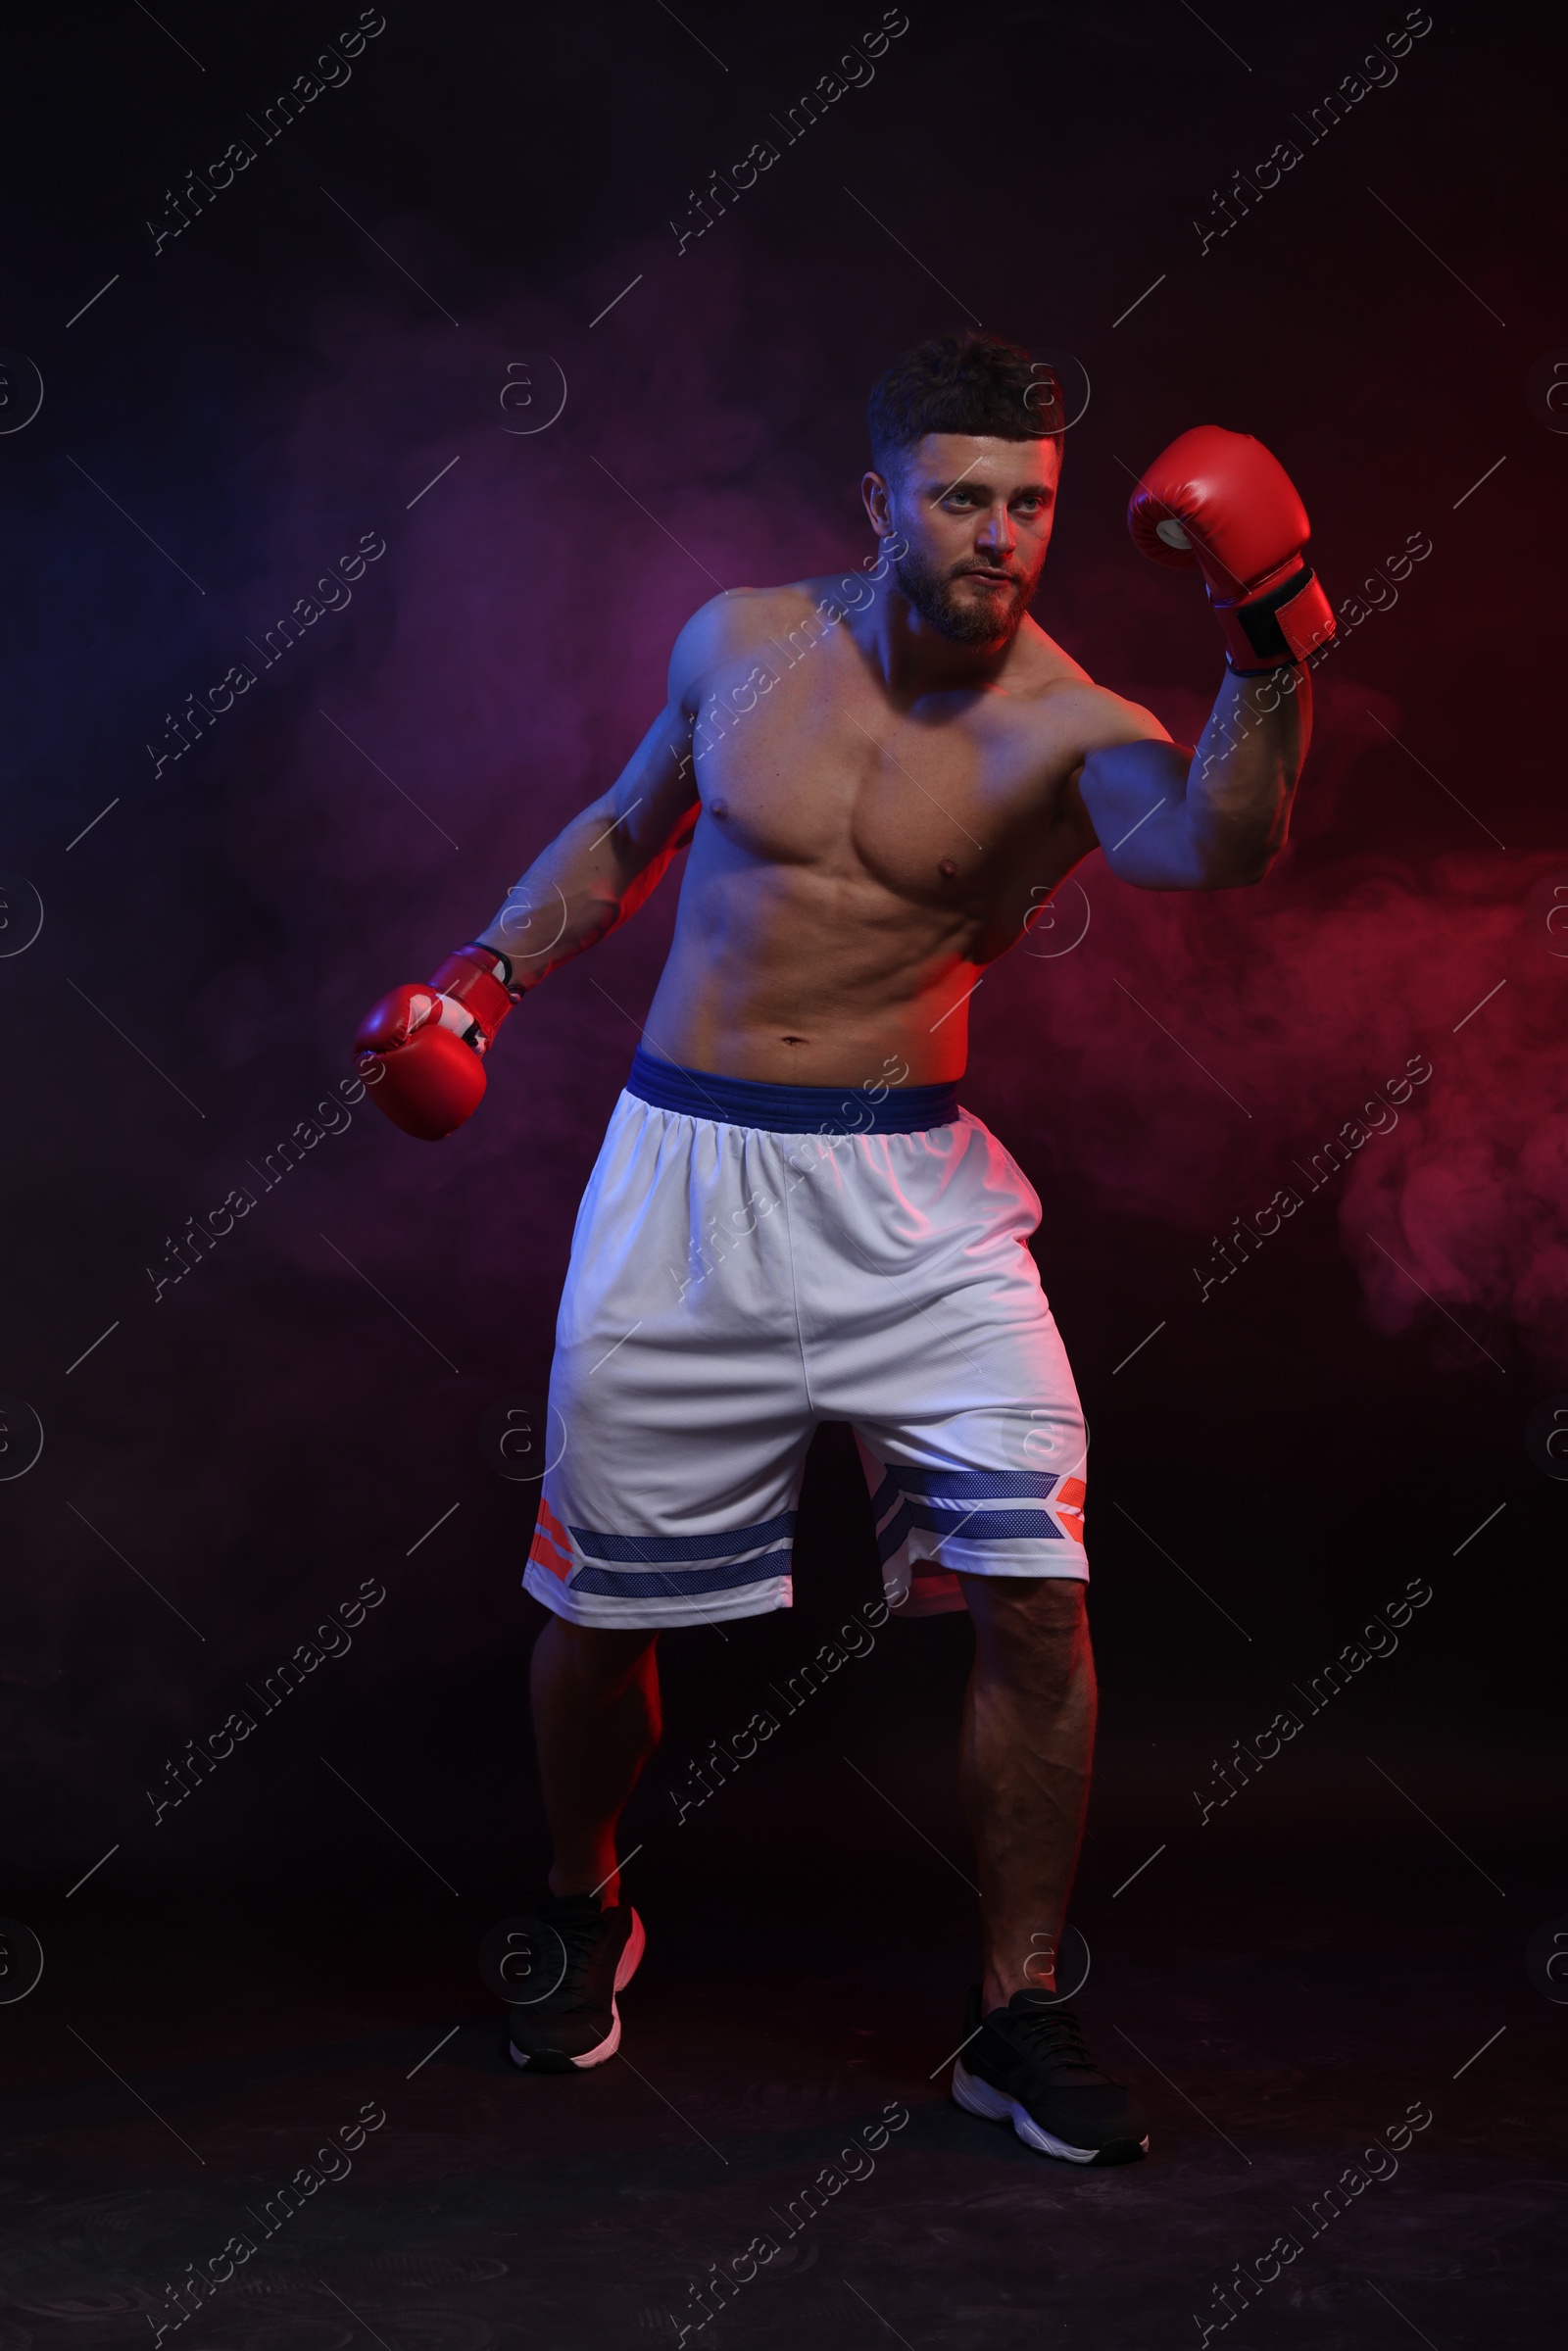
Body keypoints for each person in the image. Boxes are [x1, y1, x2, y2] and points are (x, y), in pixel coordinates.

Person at [354, 332, 1332, 2166]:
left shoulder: (1070, 730)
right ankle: (583, 1898)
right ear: (879, 500)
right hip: (684, 1175)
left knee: (1041, 1595)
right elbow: (629, 828)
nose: (1004, 537)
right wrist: (487, 974)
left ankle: (1017, 2012)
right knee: (593, 1610)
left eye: (1034, 502)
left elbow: (1221, 848)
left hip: (913, 1200)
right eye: (965, 497)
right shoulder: (739, 643)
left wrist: (1271, 633)